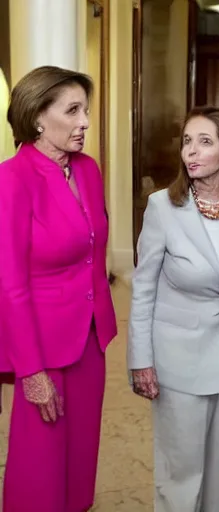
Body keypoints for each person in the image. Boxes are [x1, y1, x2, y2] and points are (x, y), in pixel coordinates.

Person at [127, 106, 219, 512]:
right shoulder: (161, 207)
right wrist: (141, 360)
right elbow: (143, 289)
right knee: (181, 473)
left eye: (205, 142)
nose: (192, 151)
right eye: (188, 141)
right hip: (177, 358)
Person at [0, 66, 118, 512]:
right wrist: (30, 370)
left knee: (81, 458)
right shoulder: (11, 179)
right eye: (72, 111)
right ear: (36, 118)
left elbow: (92, 251)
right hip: (42, 347)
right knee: (39, 468)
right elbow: (9, 283)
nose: (85, 121)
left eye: (85, 110)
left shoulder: (88, 169)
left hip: (89, 337)